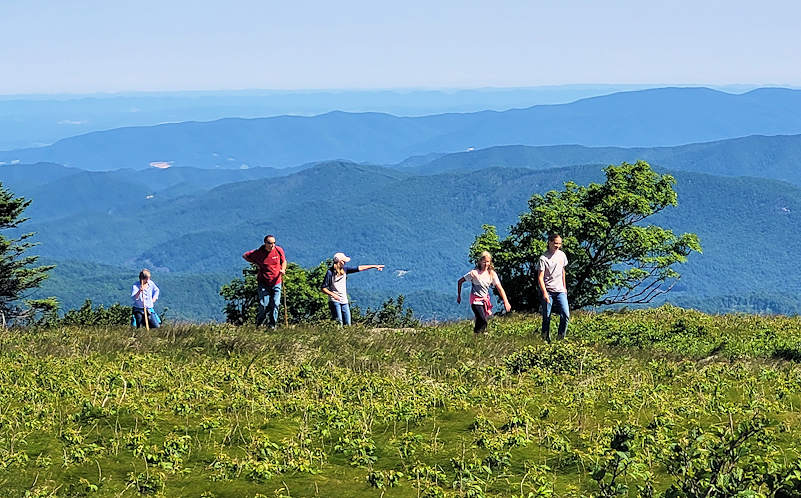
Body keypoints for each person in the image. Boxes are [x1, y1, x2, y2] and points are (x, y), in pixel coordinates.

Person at [321, 252, 384, 325]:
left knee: (348, 324)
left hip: (344, 301)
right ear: (340, 261)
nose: (345, 262)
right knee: (338, 323)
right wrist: (333, 295)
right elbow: (323, 288)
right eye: (344, 261)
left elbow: (359, 268)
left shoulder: (344, 270)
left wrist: (374, 266)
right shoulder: (330, 272)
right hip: (334, 301)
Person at [457, 251, 511, 334]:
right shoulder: (474, 273)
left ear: (490, 262)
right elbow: (460, 281)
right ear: (480, 262)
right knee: (483, 319)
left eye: (488, 262)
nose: (486, 264)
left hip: (484, 300)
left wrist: (506, 301)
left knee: (480, 320)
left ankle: (477, 336)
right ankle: (479, 335)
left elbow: (500, 288)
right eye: (484, 262)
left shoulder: (492, 274)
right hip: (475, 300)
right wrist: (459, 296)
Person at [243, 234, 287, 328]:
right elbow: (245, 256)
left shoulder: (278, 250)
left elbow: (284, 261)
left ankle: (272, 326)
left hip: (276, 281)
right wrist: (256, 263)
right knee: (263, 304)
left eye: (274, 243)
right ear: (265, 243)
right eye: (270, 243)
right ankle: (259, 324)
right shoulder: (259, 252)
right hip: (263, 283)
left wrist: (283, 269)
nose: (273, 245)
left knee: (276, 303)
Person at [537, 234, 569, 342]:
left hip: (560, 290)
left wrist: (564, 287)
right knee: (546, 316)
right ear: (549, 242)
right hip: (548, 291)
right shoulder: (543, 258)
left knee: (565, 314)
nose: (558, 246)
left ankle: (560, 339)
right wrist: (544, 293)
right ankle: (545, 339)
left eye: (559, 243)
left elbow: (562, 271)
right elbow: (540, 277)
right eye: (556, 243)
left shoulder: (562, 255)